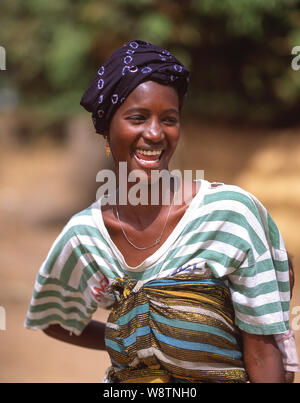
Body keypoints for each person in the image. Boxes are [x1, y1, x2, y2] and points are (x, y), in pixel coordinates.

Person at [25, 40, 299, 383]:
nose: (155, 134)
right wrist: (126, 339)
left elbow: (261, 350)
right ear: (107, 129)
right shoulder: (86, 236)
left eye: (169, 119)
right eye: (138, 118)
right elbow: (54, 319)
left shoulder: (229, 215)